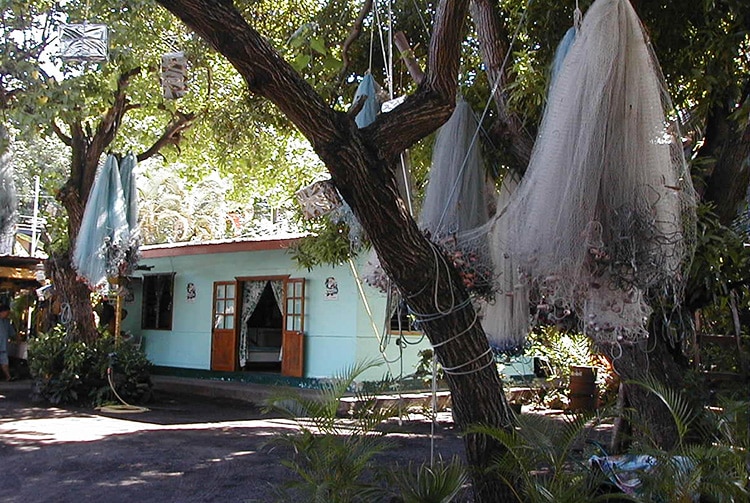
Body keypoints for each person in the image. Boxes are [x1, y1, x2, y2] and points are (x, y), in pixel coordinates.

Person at [0, 303, 16, 381]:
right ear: (2, 312)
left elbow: (12, 333)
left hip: (3, 346)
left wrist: (17, 339)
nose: (8, 314)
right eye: (7, 312)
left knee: (4, 362)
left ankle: (8, 376)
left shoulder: (7, 322)